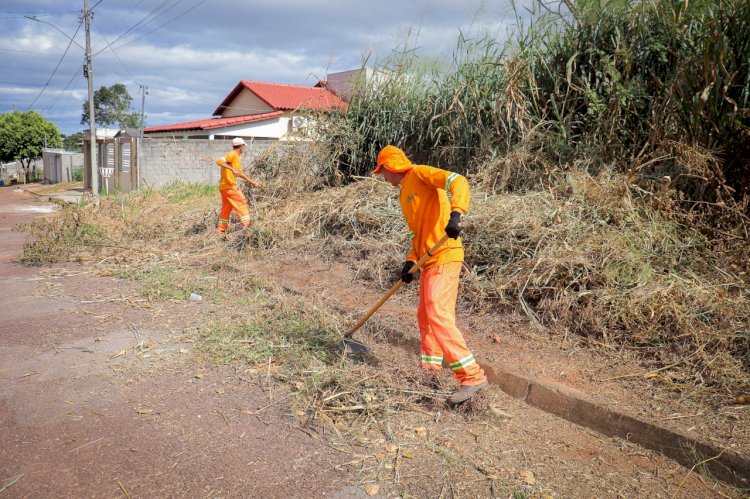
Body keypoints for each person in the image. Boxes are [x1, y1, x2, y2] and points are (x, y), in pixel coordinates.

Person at [373, 145, 488, 405]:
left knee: (437, 311)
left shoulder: (421, 174)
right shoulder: (404, 196)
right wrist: (410, 262)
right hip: (427, 260)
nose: (383, 178)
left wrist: (456, 214)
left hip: (446, 254)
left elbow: (457, 180)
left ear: (391, 167)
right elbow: (419, 234)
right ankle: (430, 373)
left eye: (383, 173)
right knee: (425, 315)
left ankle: (472, 376)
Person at [215, 137, 262, 236]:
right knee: (241, 201)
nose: (244, 148)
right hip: (230, 186)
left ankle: (221, 230)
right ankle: (246, 224)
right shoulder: (232, 154)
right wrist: (231, 169)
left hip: (224, 188)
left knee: (226, 208)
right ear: (241, 146)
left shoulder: (236, 158)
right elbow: (218, 161)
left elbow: (240, 173)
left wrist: (253, 182)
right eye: (244, 146)